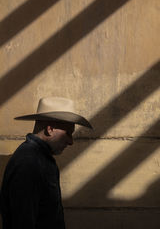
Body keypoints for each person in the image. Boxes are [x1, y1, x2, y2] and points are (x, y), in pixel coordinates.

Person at [1, 97, 92, 229]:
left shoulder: (39, 158)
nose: (71, 141)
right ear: (50, 129)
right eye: (68, 133)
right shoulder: (29, 162)